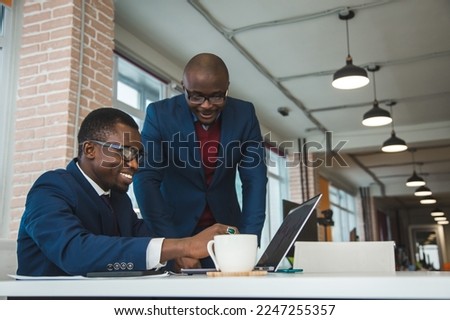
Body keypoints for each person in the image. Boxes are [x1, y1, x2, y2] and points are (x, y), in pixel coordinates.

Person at [16, 108, 232, 276]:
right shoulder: (51, 188)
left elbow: (143, 239)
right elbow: (75, 252)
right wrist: (186, 245)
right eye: (127, 152)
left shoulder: (118, 199)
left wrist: (179, 255)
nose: (136, 164)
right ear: (90, 149)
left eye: (139, 155)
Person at [133, 53, 267, 269]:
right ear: (183, 87)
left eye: (216, 96)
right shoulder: (159, 115)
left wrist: (248, 241)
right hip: (174, 230)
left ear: (227, 88)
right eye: (195, 96)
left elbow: (255, 181)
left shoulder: (245, 114)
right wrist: (176, 247)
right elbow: (145, 179)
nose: (206, 106)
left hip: (228, 236)